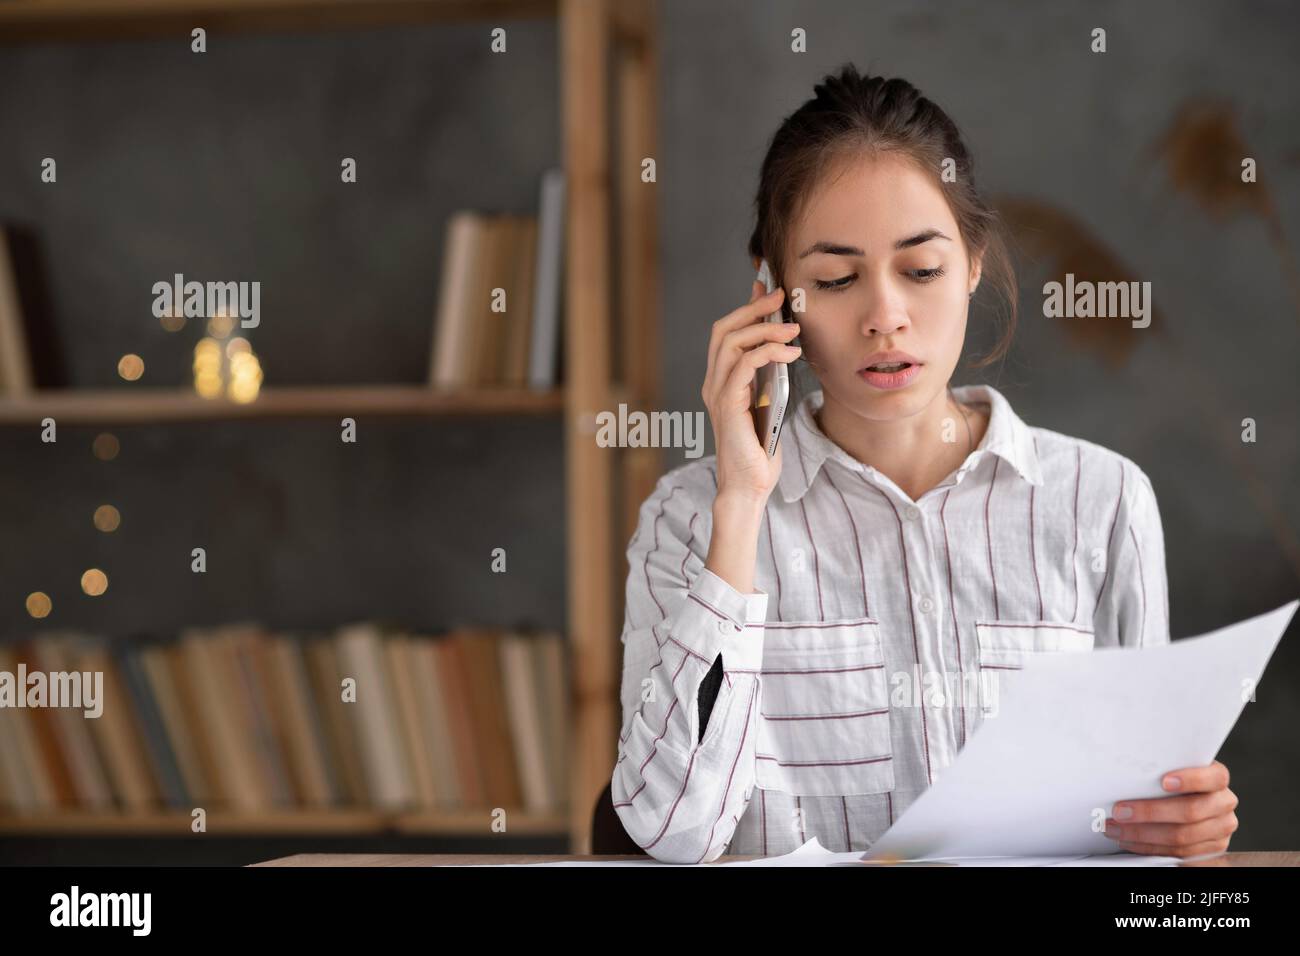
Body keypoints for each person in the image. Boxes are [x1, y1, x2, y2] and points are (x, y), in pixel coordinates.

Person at [611, 64, 1238, 865]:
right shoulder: (687, 517)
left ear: (974, 261)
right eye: (834, 279)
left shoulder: (1103, 502)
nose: (884, 317)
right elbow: (673, 834)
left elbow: (1142, 831)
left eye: (922, 269)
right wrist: (740, 510)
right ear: (773, 292)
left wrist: (1184, 830)